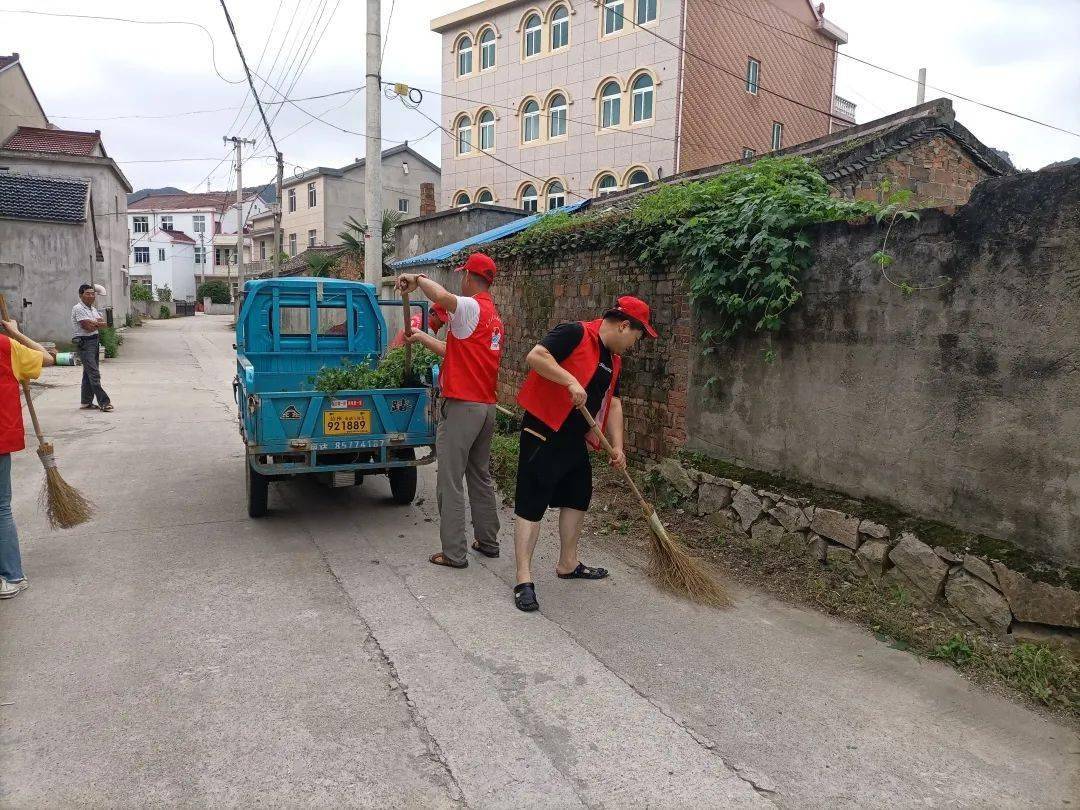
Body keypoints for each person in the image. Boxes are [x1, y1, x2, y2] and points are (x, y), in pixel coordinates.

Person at [511, 296, 657, 612]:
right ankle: (524, 579)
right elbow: (535, 356)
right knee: (531, 501)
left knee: (578, 496)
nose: (634, 344)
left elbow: (614, 404)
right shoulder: (574, 333)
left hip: (574, 437)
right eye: (636, 337)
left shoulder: (614, 360)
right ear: (623, 326)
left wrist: (618, 446)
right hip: (543, 429)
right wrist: (569, 379)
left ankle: (568, 562)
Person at [396, 253, 503, 569]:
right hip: (486, 408)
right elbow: (455, 351)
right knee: (479, 476)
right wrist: (423, 337)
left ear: (469, 276)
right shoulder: (492, 317)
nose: (461, 281)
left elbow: (442, 297)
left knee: (450, 480)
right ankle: (488, 541)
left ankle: (454, 553)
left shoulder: (470, 306)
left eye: (462, 275)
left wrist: (417, 279)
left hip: (462, 409)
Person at [0, 317, 56, 599]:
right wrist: (16, 333)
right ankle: (11, 575)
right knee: (0, 508)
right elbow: (47, 358)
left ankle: (10, 575)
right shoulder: (6, 346)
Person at [71, 284, 112, 412]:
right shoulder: (78, 308)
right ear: (80, 295)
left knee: (88, 373)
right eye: (88, 293)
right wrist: (96, 324)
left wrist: (95, 324)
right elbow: (87, 327)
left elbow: (106, 324)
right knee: (94, 373)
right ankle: (104, 402)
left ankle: (86, 402)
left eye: (93, 294)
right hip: (84, 343)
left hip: (94, 341)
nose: (91, 296)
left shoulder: (92, 309)